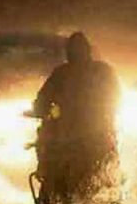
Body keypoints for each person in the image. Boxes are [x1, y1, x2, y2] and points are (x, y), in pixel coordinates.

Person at [32, 32, 120, 193]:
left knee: (48, 152)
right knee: (108, 162)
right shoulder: (104, 71)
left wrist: (39, 110)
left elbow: (42, 100)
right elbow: (116, 98)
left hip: (70, 134)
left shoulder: (62, 73)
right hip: (96, 134)